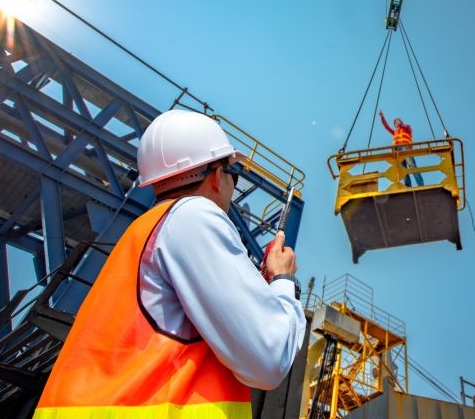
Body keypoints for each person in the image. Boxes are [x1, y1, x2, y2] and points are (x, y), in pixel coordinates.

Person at [34, 110, 306, 419]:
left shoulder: (144, 231)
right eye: (235, 174)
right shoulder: (195, 216)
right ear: (216, 175)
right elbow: (269, 359)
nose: (233, 184)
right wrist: (283, 281)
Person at [379, 110, 424, 187]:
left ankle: (420, 184)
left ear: (401, 122)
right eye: (395, 123)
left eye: (397, 121)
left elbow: (407, 127)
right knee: (402, 170)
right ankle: (408, 187)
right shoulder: (395, 132)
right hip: (398, 150)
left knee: (412, 165)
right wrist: (382, 117)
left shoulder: (406, 128)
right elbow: (387, 127)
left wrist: (401, 125)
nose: (396, 123)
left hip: (406, 148)